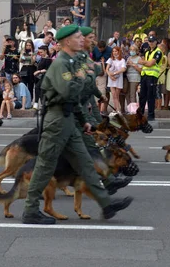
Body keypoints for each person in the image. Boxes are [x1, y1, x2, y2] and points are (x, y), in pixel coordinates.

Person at [21, 24, 133, 224]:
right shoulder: (61, 64)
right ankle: (30, 210)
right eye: (78, 37)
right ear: (66, 41)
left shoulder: (72, 62)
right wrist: (81, 78)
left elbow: (76, 98)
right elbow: (68, 92)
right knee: (45, 166)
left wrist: (83, 122)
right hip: (56, 121)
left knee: (85, 163)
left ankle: (106, 205)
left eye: (83, 37)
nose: (82, 39)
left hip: (69, 120)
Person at [137, 36, 162, 121]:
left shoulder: (158, 52)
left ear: (156, 42)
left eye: (152, 41)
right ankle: (140, 114)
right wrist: (145, 62)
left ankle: (151, 115)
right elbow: (142, 61)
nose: (151, 43)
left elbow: (150, 64)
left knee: (150, 96)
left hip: (152, 76)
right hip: (144, 75)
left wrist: (144, 62)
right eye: (149, 41)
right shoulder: (147, 51)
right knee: (142, 96)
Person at [92, 40, 112, 114]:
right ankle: (99, 109)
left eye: (102, 49)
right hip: (98, 72)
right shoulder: (95, 49)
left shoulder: (110, 50)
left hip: (107, 71)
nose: (100, 50)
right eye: (99, 49)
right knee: (99, 90)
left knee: (106, 91)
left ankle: (105, 109)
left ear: (105, 47)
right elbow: (93, 59)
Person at [106, 47, 126, 114]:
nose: (114, 52)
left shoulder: (122, 60)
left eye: (116, 51)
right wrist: (110, 76)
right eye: (113, 51)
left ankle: (117, 109)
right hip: (111, 79)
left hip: (118, 79)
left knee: (117, 95)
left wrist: (115, 73)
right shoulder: (110, 59)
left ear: (119, 52)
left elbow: (123, 69)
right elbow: (107, 69)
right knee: (114, 95)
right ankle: (116, 109)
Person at [125, 45, 142, 109]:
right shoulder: (129, 58)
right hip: (128, 77)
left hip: (135, 78)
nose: (132, 51)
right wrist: (127, 66)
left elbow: (140, 70)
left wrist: (133, 65)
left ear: (137, 51)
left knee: (132, 94)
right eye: (131, 50)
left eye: (133, 50)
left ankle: (134, 110)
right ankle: (129, 108)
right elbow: (125, 68)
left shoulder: (139, 58)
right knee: (127, 94)